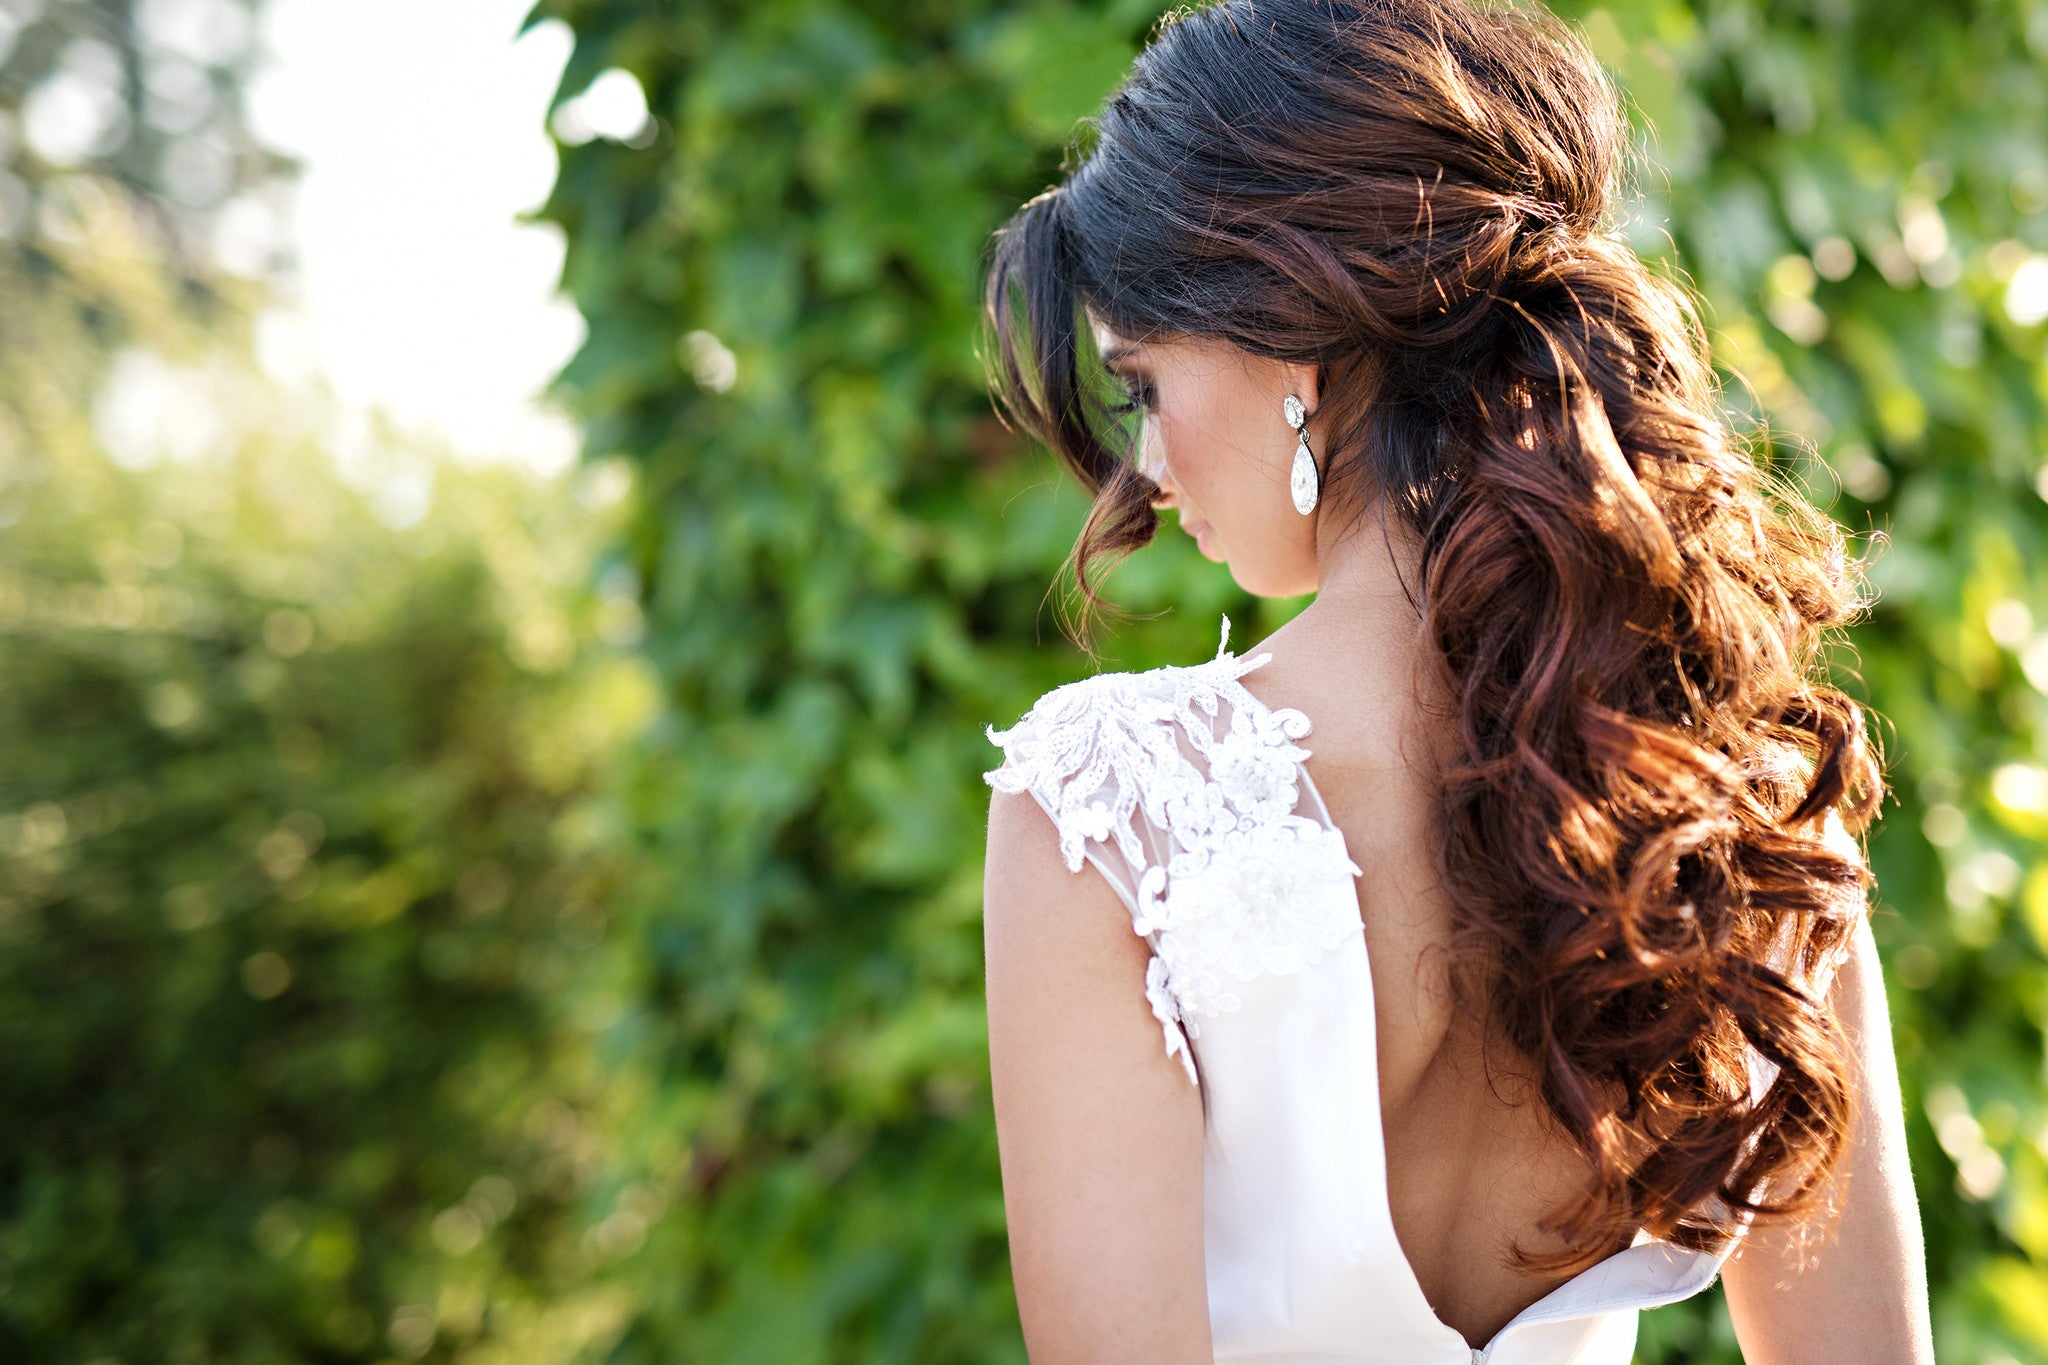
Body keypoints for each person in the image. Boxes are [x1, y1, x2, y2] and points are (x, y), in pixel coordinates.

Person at [974, 1, 1935, 1361]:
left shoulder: (1112, 812)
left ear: (1288, 350)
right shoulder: (1742, 806)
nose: (1147, 470)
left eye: (1141, 385)